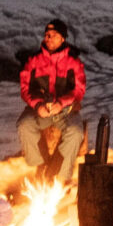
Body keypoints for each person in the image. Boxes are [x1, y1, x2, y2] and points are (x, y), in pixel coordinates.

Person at [16, 18, 86, 181]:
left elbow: (79, 90)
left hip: (65, 111)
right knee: (24, 125)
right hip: (41, 111)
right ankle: (40, 164)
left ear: (63, 38)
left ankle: (56, 172)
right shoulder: (33, 60)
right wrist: (37, 104)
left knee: (76, 132)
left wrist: (62, 103)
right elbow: (25, 89)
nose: (49, 38)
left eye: (54, 35)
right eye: (47, 34)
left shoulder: (73, 62)